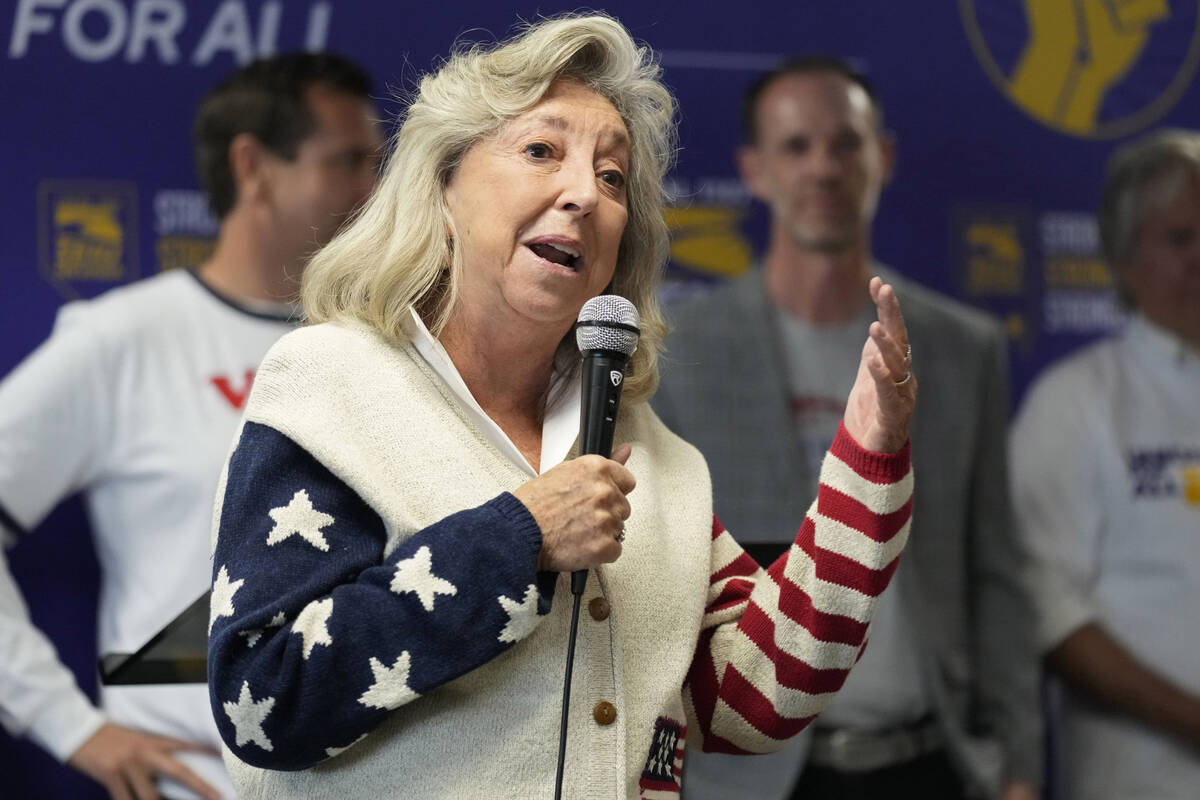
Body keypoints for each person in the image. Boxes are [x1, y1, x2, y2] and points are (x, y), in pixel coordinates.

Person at [206, 15, 918, 799]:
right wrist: (521, 538)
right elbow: (265, 701)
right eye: (541, 151)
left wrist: (868, 458)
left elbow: (754, 700)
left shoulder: (657, 458)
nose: (584, 193)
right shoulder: (332, 384)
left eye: (612, 178)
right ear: (441, 187)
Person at [652, 58, 1040, 799]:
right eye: (796, 147)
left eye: (845, 144)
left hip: (932, 760)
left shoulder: (963, 348)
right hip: (750, 779)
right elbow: (660, 587)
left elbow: (996, 573)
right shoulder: (679, 353)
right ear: (754, 170)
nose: (823, 168)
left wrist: (1018, 763)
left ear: (882, 157)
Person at [0, 52, 382, 800]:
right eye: (348, 162)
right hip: (202, 783)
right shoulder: (122, 341)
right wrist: (67, 724)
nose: (375, 192)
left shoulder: (391, 347)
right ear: (254, 167)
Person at [1010, 129, 1200, 800]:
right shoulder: (1075, 401)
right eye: (1180, 239)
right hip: (1139, 780)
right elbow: (1048, 609)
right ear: (1123, 261)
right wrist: (1190, 718)